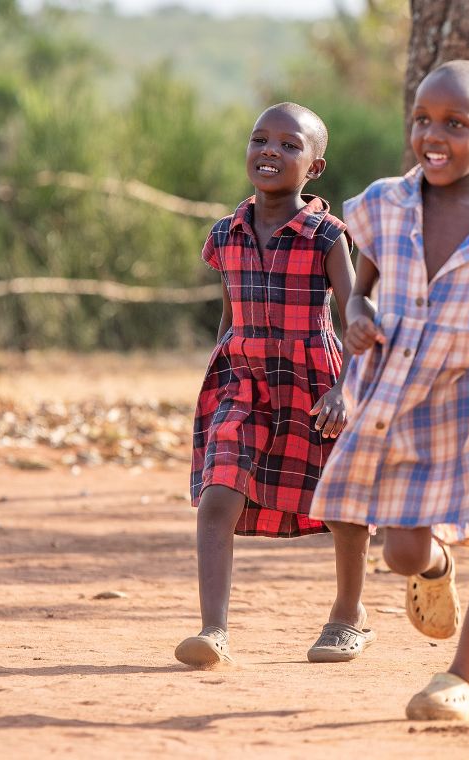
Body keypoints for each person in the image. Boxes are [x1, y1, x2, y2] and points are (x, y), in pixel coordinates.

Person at [309, 61, 469, 719]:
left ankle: (458, 680)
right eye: (423, 120)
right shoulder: (382, 206)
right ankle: (431, 570)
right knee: (399, 551)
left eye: (455, 124)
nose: (434, 135)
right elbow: (358, 295)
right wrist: (359, 320)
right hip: (397, 395)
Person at [176, 103, 375, 669]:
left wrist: (347, 390)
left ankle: (348, 614)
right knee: (218, 494)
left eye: (290, 145)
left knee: (341, 505)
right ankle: (213, 631)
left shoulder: (325, 235)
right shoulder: (225, 234)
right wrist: (219, 375)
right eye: (260, 139)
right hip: (243, 382)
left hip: (316, 388)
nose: (270, 150)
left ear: (315, 167)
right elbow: (228, 316)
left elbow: (356, 316)